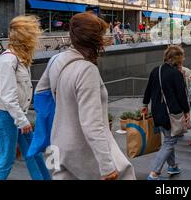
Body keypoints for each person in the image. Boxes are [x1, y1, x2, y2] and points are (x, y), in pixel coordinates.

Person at [35, 12, 135, 180]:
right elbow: (92, 124)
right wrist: (107, 166)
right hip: (85, 151)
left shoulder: (56, 60)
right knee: (126, 174)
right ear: (95, 40)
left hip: (59, 144)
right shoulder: (87, 70)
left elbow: (40, 93)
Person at [0, 15, 50, 180]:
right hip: (4, 115)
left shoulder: (20, 59)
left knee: (34, 152)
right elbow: (8, 97)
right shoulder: (8, 60)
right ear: (25, 36)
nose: (36, 38)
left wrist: (22, 118)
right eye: (33, 34)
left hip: (14, 115)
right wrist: (22, 121)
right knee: (6, 158)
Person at [142, 45, 190, 180]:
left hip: (157, 111)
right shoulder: (175, 74)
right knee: (170, 141)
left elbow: (148, 89)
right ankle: (154, 173)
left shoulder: (155, 70)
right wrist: (187, 111)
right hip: (170, 114)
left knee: (169, 138)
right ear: (178, 59)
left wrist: (145, 105)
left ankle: (173, 166)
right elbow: (182, 96)